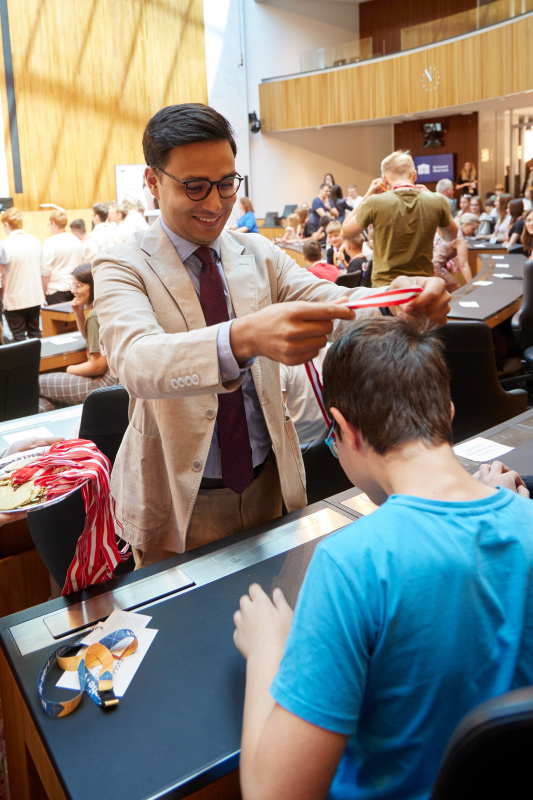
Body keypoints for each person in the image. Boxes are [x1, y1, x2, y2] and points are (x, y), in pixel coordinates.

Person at [92, 103, 450, 568]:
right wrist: (241, 338)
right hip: (177, 501)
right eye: (195, 186)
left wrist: (391, 300)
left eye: (226, 184)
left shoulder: (256, 252)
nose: (215, 203)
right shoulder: (123, 264)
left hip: (271, 486)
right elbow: (137, 362)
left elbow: (326, 299)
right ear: (153, 181)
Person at [233, 316, 533, 800]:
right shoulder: (524, 518)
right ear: (448, 412)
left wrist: (269, 648)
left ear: (347, 430)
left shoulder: (350, 565)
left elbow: (273, 795)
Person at [343, 150, 457, 287]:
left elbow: (346, 232)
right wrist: (432, 201)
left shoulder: (373, 202)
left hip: (385, 288)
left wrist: (367, 196)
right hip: (422, 286)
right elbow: (451, 236)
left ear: (384, 180)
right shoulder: (437, 200)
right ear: (414, 175)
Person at [39, 263, 115, 412]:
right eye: (73, 285)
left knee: (37, 383)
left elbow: (97, 366)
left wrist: (68, 369)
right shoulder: (105, 307)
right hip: (113, 383)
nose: (73, 290)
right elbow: (92, 340)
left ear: (94, 286)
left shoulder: (95, 315)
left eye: (79, 286)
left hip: (102, 385)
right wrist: (79, 313)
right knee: (43, 403)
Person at [0, 207, 44, 341]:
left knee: (18, 338)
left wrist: (3, 298)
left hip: (14, 299)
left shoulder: (6, 245)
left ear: (7, 224)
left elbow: (2, 276)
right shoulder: (34, 241)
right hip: (35, 297)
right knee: (35, 334)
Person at [41, 210, 84, 304]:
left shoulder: (50, 242)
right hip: (74, 288)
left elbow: (45, 271)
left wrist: (43, 293)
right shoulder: (75, 240)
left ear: (53, 223)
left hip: (56, 290)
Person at [432, 213, 476, 292]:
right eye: (473, 229)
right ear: (465, 224)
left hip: (427, 265)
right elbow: (464, 266)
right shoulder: (459, 239)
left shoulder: (447, 229)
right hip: (436, 267)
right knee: (457, 291)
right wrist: (472, 286)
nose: (473, 232)